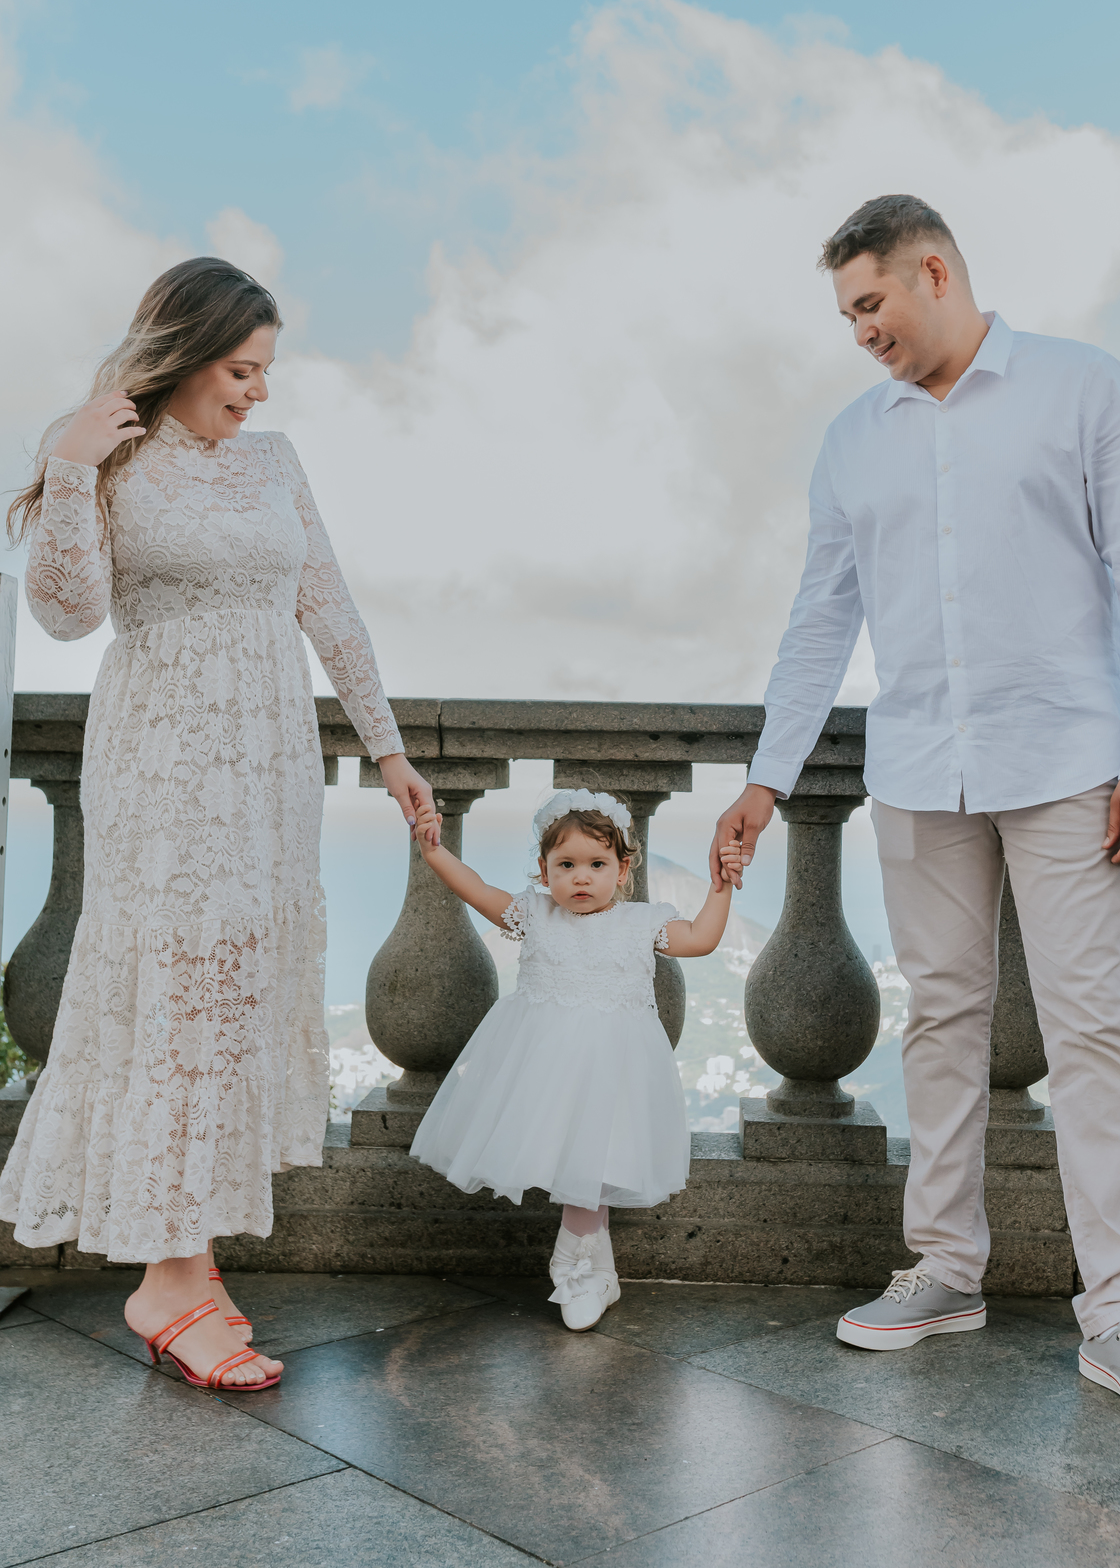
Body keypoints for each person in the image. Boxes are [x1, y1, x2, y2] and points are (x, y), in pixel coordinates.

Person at [710, 194, 1120, 1428]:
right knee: (940, 1020)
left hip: (1072, 765)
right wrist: (767, 778)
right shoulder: (852, 439)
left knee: (1091, 1030)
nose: (858, 331)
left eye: (869, 303)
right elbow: (820, 619)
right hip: (921, 773)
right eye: (846, 315)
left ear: (935, 270)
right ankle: (944, 1269)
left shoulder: (1087, 389)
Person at [1, 258, 431, 1390]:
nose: (259, 392)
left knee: (232, 989)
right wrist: (67, 466)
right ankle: (169, 1274)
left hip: (271, 759)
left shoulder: (276, 461)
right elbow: (66, 610)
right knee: (178, 991)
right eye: (243, 369)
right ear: (184, 355)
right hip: (166, 760)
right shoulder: (106, 447)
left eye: (265, 371)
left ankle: (190, 1258)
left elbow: (326, 604)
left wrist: (389, 751)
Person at [411, 788, 742, 1329]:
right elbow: (476, 890)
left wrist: (720, 887)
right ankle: (593, 1272)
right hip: (545, 1068)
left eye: (596, 864)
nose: (580, 878)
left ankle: (579, 1268)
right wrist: (434, 853)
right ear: (544, 872)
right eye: (566, 865)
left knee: (596, 1160)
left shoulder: (640, 923)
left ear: (623, 867)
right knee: (579, 1165)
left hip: (614, 1071)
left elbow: (702, 939)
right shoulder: (536, 914)